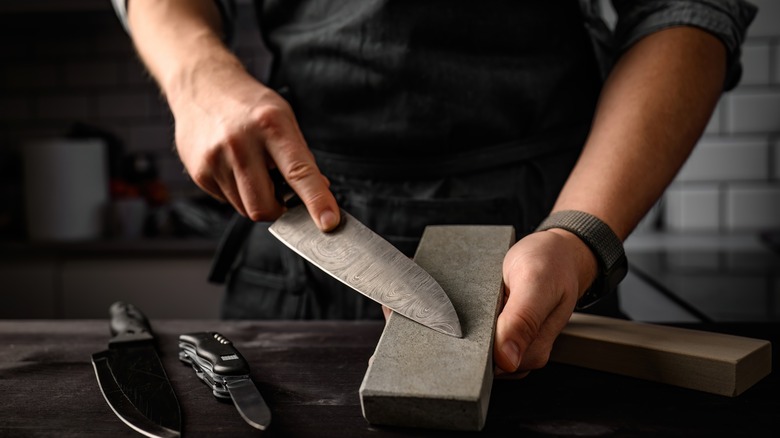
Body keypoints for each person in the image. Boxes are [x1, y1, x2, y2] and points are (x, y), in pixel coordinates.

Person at [111, 0, 756, 375]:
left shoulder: (566, 240)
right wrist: (198, 74)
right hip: (296, 227)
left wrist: (581, 234)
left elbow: (685, 7)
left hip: (547, 231)